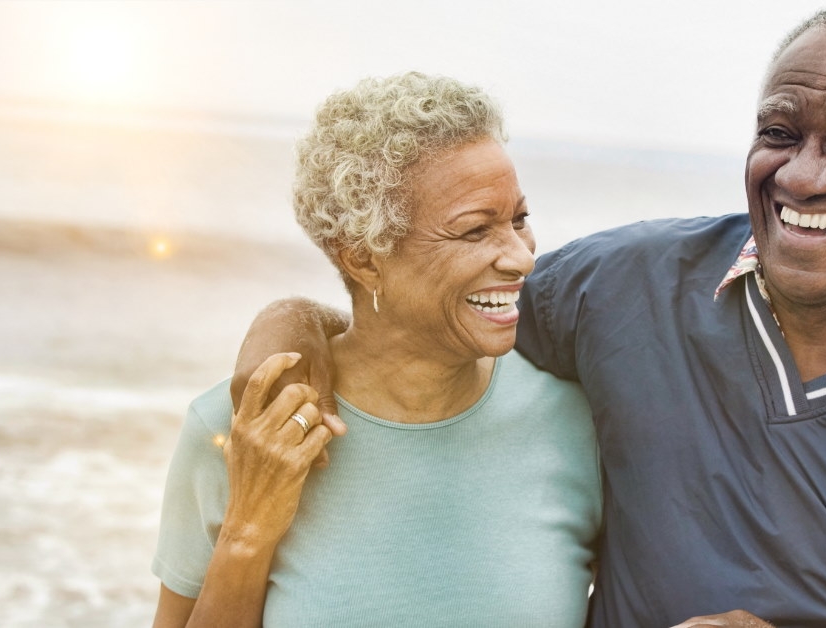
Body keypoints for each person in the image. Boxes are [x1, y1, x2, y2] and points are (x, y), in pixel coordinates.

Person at [232, 5, 826, 626]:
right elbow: (437, 310)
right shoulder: (631, 285)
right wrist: (289, 328)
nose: (805, 174)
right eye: (780, 132)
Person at [151, 73, 601, 627]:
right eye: (474, 230)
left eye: (519, 220)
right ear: (363, 258)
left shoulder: (576, 424)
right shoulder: (239, 430)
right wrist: (247, 533)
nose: (522, 258)